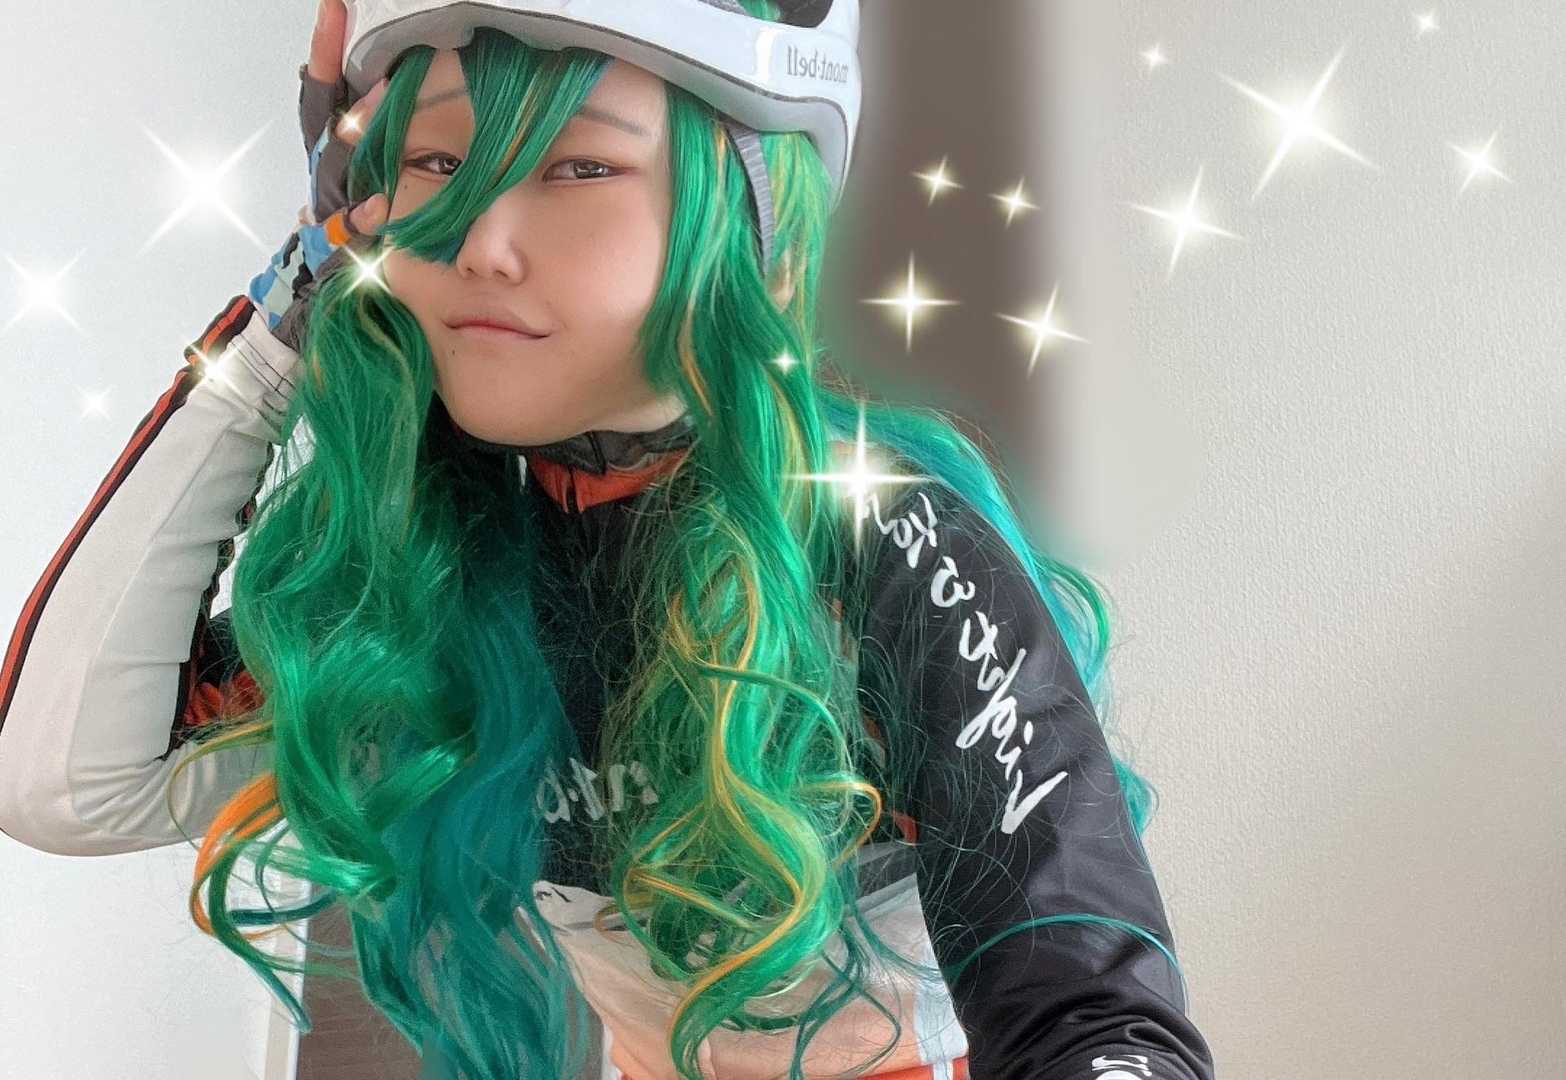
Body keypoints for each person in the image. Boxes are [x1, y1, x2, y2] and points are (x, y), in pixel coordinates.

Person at [0, 2, 1218, 1078]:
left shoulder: (875, 542)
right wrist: (291, 316)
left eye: (580, 167)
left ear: (755, 222)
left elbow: (1094, 1016)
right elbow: (62, 782)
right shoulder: (423, 574)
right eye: (436, 164)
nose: (482, 241)